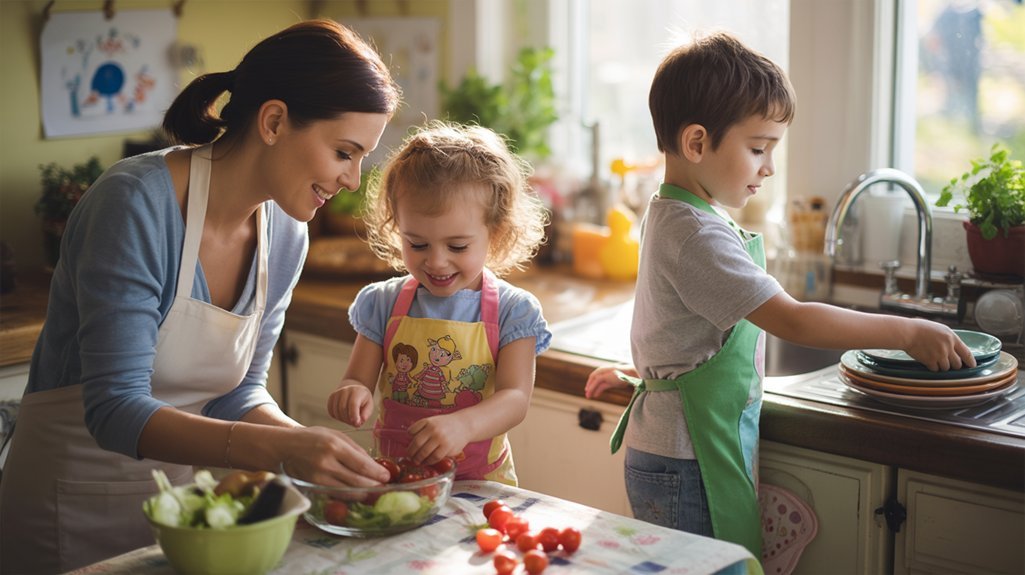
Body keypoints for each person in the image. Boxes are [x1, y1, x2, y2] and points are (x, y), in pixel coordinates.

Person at [0, 19, 401, 574]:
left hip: (184, 514)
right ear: (275, 121)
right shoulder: (135, 204)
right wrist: (285, 451)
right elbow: (114, 409)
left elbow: (236, 395)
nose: (354, 180)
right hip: (66, 508)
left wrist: (319, 450)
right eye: (343, 152)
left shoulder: (285, 231)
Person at [583, 31, 974, 559]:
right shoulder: (697, 233)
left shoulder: (677, 212)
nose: (769, 167)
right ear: (697, 143)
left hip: (682, 452)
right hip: (689, 461)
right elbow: (793, 321)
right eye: (758, 149)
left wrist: (648, 378)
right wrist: (905, 330)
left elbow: (679, 329)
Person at [327, 122, 552, 486]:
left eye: (457, 246)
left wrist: (465, 424)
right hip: (397, 480)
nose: (436, 261)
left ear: (495, 233)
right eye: (417, 244)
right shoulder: (383, 303)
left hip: (478, 485)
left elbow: (514, 398)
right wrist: (351, 393)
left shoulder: (514, 311)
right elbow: (357, 378)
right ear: (396, 227)